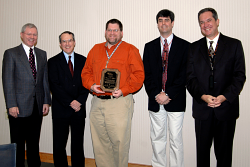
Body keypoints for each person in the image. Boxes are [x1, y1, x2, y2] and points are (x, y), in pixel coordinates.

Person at [186, 8, 246, 167]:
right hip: (202, 109)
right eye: (201, 22)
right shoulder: (193, 48)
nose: (205, 25)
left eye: (208, 20)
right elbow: (190, 79)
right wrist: (202, 96)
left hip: (226, 108)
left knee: (224, 155)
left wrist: (224, 96)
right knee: (202, 154)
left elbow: (240, 76)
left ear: (217, 21)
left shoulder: (234, 45)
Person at [81, 18, 144, 167]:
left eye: (115, 30)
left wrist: (123, 90)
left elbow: (139, 75)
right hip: (97, 102)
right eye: (109, 30)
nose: (112, 33)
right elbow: (85, 73)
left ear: (121, 33)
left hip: (119, 103)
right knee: (99, 142)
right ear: (105, 32)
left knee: (120, 142)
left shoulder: (130, 49)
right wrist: (91, 86)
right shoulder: (95, 49)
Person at [143, 9, 189, 167]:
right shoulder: (149, 47)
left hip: (175, 100)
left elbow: (184, 75)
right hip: (156, 100)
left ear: (172, 23)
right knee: (157, 139)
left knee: (176, 140)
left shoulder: (185, 46)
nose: (163, 23)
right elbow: (146, 74)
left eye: (166, 20)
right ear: (157, 24)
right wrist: (157, 94)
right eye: (160, 20)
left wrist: (168, 94)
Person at [2, 23, 51, 167]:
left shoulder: (42, 54)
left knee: (34, 142)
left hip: (37, 107)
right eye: (29, 34)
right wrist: (11, 104)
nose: (32, 37)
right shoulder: (11, 53)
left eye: (34, 34)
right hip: (18, 108)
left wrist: (46, 101)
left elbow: (44, 80)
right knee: (18, 143)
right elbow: (7, 80)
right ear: (22, 35)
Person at [48, 31, 89, 167]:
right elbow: (54, 85)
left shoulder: (84, 60)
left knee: (78, 145)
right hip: (61, 109)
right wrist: (70, 102)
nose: (67, 44)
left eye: (70, 40)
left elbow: (87, 83)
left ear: (74, 42)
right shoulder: (53, 62)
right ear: (60, 44)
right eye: (64, 41)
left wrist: (79, 101)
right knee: (59, 145)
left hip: (78, 110)